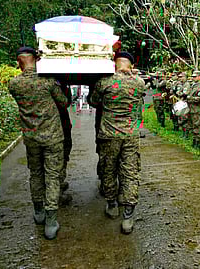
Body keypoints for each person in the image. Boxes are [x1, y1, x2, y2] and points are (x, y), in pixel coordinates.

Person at [8, 47, 67, 240]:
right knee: (52, 175)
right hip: (52, 138)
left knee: (35, 173)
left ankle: (39, 211)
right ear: (37, 60)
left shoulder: (14, 84)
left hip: (31, 138)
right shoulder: (48, 81)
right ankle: (50, 220)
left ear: (19, 63)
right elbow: (64, 102)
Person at [89, 52, 145, 234]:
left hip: (109, 135)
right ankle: (128, 215)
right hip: (130, 135)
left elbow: (93, 101)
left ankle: (112, 204)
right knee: (130, 173)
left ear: (114, 63)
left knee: (109, 169)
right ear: (131, 64)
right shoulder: (139, 83)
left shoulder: (105, 82)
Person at [187, 71, 200, 149]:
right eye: (193, 77)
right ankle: (194, 141)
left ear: (199, 77)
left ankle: (197, 143)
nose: (193, 78)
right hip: (191, 108)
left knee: (196, 126)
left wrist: (190, 98)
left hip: (196, 109)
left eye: (195, 77)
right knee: (193, 126)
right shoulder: (193, 86)